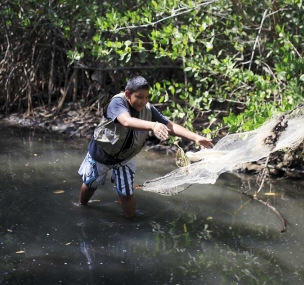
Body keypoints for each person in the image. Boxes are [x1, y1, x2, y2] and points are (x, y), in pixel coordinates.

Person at [77, 76, 213, 218]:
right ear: (128, 94)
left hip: (125, 158)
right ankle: (81, 207)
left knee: (127, 193)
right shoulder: (117, 103)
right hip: (101, 154)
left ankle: (130, 222)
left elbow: (170, 126)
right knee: (91, 184)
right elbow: (126, 121)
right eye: (140, 97)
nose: (144, 101)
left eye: (147, 97)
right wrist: (153, 125)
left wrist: (196, 137)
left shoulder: (148, 109)